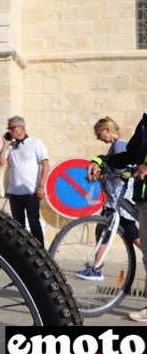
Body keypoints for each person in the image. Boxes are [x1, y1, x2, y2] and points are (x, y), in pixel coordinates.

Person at [86, 113, 147, 321]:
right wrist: (99, 160)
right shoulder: (144, 125)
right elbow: (128, 158)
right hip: (142, 199)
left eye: (99, 133)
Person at [76, 117, 140, 281]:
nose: (98, 138)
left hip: (119, 200)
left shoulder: (119, 146)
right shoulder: (116, 146)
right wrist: (100, 176)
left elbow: (123, 171)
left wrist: (102, 174)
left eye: (99, 134)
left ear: (107, 131)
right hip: (117, 199)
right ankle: (96, 267)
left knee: (106, 230)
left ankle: (96, 269)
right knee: (129, 233)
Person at [0, 116, 49, 246]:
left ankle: (41, 252)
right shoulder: (11, 146)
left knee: (34, 223)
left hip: (30, 191)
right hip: (14, 192)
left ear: (22, 128)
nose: (10, 131)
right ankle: (22, 253)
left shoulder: (35, 143)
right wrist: (5, 145)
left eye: (12, 128)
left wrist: (41, 186)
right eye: (8, 128)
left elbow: (45, 165)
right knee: (18, 226)